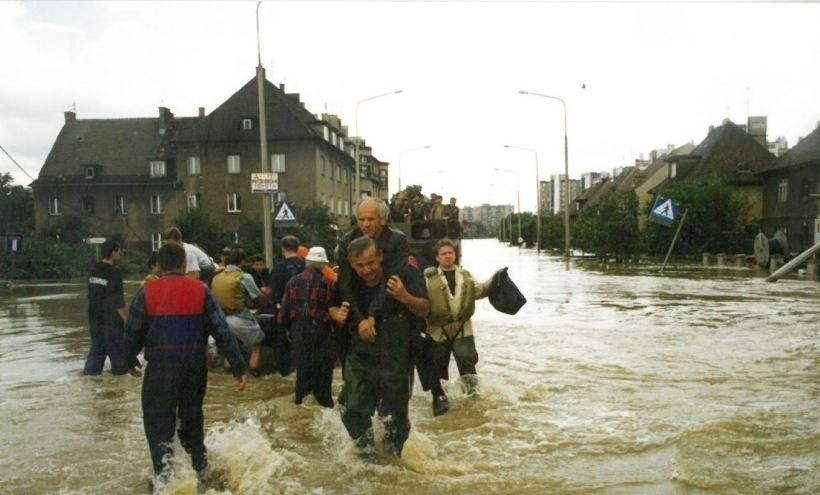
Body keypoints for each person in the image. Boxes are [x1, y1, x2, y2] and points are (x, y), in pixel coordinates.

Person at [123, 243, 248, 487]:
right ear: (183, 264)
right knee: (192, 419)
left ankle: (165, 480)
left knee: (159, 425)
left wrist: (129, 361)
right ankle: (200, 474)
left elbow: (132, 332)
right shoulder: (201, 290)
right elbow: (222, 331)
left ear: (159, 266)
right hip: (193, 367)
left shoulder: (146, 292)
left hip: (160, 368)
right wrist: (238, 367)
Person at [339, 236, 429, 455]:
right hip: (361, 354)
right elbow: (331, 308)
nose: (367, 270)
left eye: (371, 263)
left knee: (395, 420)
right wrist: (339, 315)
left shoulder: (406, 274)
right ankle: (365, 454)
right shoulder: (347, 280)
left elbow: (425, 309)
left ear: (380, 256)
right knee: (350, 408)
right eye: (359, 265)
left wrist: (405, 296)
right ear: (351, 264)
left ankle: (392, 464)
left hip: (396, 357)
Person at [336, 198, 409, 371]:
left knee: (413, 345)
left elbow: (392, 280)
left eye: (371, 219)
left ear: (383, 220)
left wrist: (373, 313)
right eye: (362, 220)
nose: (365, 224)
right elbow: (344, 284)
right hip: (357, 304)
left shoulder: (397, 241)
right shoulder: (347, 242)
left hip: (390, 305)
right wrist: (361, 319)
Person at [424, 238, 493, 413]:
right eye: (444, 254)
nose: (448, 257)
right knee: (438, 370)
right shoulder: (427, 278)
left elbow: (480, 291)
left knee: (468, 368)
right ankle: (441, 402)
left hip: (463, 329)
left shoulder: (466, 275)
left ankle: (473, 404)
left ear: (455, 255)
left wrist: (496, 278)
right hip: (437, 331)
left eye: (450, 253)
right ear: (437, 258)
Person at [277, 247, 348, 407]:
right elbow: (336, 312)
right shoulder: (331, 284)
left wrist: (288, 330)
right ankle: (325, 407)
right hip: (322, 331)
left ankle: (301, 404)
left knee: (302, 371)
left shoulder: (293, 282)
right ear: (323, 264)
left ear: (307, 262)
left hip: (299, 330)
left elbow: (284, 311)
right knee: (323, 374)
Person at [211, 248, 269, 376]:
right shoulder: (244, 277)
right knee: (256, 345)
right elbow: (258, 298)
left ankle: (228, 374)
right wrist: (267, 301)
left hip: (222, 320)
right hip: (240, 318)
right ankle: (255, 375)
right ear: (242, 262)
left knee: (232, 347)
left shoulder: (217, 276)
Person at [84, 240, 128, 375]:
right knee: (120, 365)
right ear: (113, 253)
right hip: (111, 322)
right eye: (118, 251)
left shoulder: (93, 269)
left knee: (96, 355)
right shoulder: (115, 272)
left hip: (95, 319)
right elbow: (117, 301)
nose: (119, 253)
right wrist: (126, 319)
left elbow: (91, 295)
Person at [267, 235, 305, 375]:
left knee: (281, 345)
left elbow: (271, 291)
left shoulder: (280, 267)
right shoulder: (306, 265)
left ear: (283, 249)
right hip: (304, 312)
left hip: (284, 312)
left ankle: (285, 372)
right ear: (298, 248)